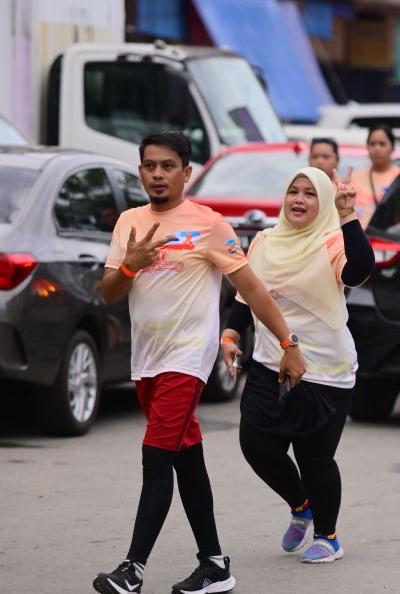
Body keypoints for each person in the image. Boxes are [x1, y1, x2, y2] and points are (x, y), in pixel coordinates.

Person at [92, 131, 306, 594]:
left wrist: (288, 342)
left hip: (188, 359)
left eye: (168, 166)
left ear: (186, 173)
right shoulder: (130, 222)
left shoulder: (210, 224)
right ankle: (215, 565)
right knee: (186, 459)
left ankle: (132, 570)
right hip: (147, 361)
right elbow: (108, 293)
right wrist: (130, 264)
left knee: (155, 457)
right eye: (150, 165)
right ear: (140, 171)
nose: (158, 174)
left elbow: (252, 290)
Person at [221, 166, 375, 564]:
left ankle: (328, 536)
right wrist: (231, 333)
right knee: (256, 445)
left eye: (310, 193)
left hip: (324, 370)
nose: (300, 199)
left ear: (323, 204)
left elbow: (359, 270)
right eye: (294, 191)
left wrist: (347, 215)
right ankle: (300, 505)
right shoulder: (264, 241)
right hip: (270, 362)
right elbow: (249, 294)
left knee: (314, 458)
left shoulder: (332, 241)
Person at [352, 125, 400, 227]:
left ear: (392, 147)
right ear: (367, 147)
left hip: (388, 236)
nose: (377, 149)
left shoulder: (398, 177)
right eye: (372, 144)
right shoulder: (353, 178)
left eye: (382, 144)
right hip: (357, 235)